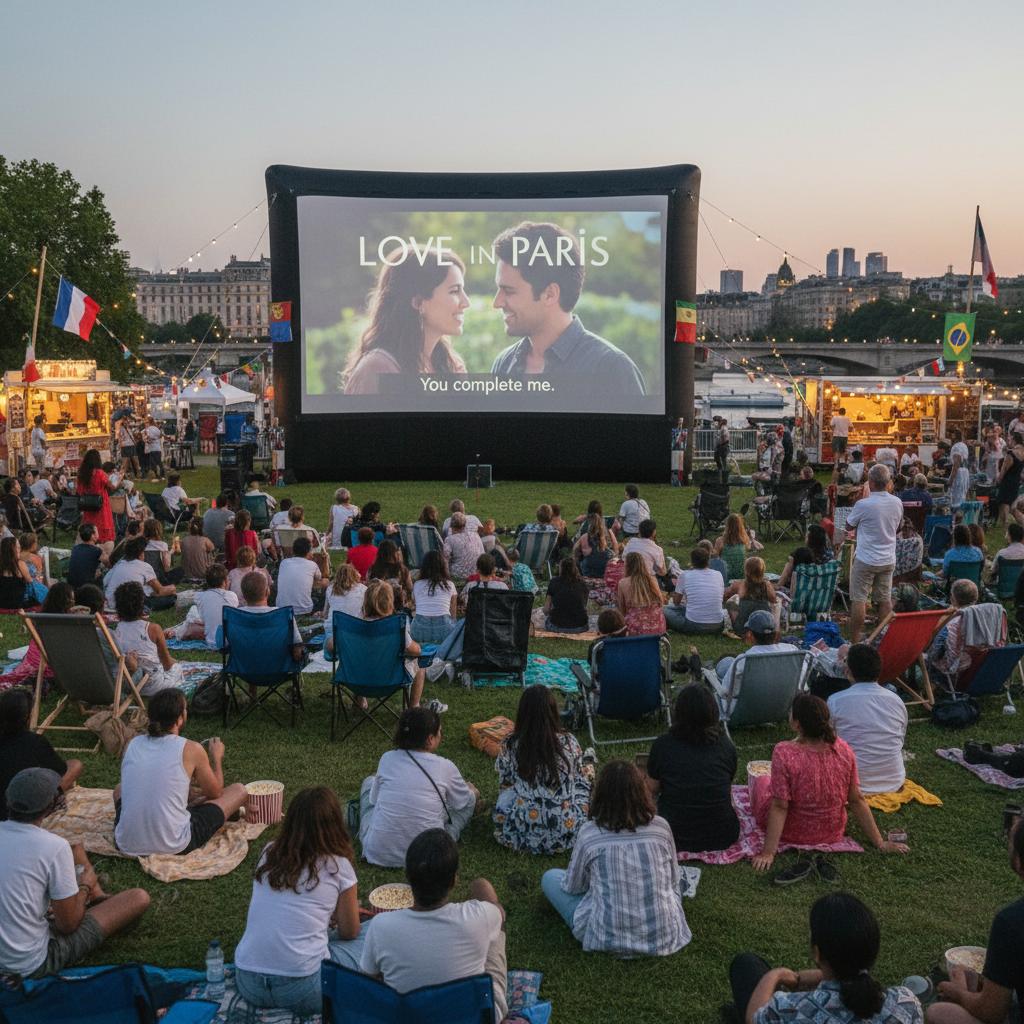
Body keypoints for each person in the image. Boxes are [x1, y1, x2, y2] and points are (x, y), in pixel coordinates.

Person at [0, 767, 151, 978]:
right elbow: (68, 925)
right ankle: (94, 897)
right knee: (138, 898)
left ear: (8, 799)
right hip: (26, 965)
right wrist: (85, 886)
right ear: (50, 806)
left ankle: (92, 898)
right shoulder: (53, 847)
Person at [233, 787, 366, 1017]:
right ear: (335, 824)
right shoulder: (338, 865)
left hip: (249, 982)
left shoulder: (268, 852)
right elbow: (350, 932)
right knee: (373, 933)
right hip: (304, 989)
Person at [751, 693, 909, 881]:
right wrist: (880, 842)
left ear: (797, 724)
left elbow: (780, 806)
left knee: (762, 781)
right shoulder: (844, 749)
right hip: (832, 832)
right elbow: (856, 799)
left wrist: (768, 852)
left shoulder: (783, 752)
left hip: (791, 831)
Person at [541, 759, 690, 956]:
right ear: (642, 792)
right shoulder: (661, 826)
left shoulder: (589, 833)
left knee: (550, 877)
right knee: (677, 885)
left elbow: (573, 887)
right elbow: (673, 880)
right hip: (664, 936)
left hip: (605, 937)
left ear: (600, 795)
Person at [358, 829, 508, 1023]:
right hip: (477, 1017)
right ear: (454, 880)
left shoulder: (380, 926)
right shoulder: (480, 916)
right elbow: (499, 913)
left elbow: (368, 983)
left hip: (408, 1017)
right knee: (494, 932)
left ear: (407, 876)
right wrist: (480, 885)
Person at [489, 221, 645, 398]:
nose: (497, 302)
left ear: (550, 294)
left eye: (509, 291)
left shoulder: (611, 369)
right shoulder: (503, 364)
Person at [730, 892, 923, 1024]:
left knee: (746, 965)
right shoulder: (905, 1003)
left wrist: (776, 975)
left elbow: (754, 1019)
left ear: (817, 952)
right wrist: (805, 978)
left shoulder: (789, 1009)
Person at [114, 689, 248, 856]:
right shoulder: (191, 748)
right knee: (239, 790)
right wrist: (216, 758)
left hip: (125, 843)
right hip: (175, 844)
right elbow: (216, 793)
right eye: (185, 710)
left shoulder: (133, 743)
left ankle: (138, 831)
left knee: (119, 789)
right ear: (179, 719)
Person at [927, 818, 1024, 1024]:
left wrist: (959, 992)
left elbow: (991, 1013)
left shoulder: (1011, 922)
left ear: (1019, 862)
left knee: (939, 1012)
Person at [359, 706, 478, 869]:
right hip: (428, 857)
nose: (441, 735)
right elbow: (462, 803)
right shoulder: (445, 767)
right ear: (430, 739)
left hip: (377, 853)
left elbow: (374, 800)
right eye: (440, 732)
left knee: (369, 782)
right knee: (469, 801)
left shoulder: (386, 758)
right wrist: (473, 792)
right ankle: (449, 836)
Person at [344, 246, 469, 394]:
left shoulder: (452, 366)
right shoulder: (378, 368)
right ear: (418, 302)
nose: (466, 302)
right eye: (454, 291)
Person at [493, 685, 591, 855]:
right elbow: (577, 778)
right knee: (584, 780)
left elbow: (505, 782)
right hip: (565, 831)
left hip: (522, 831)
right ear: (553, 713)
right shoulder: (570, 741)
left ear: (522, 713)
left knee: (506, 795)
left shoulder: (511, 744)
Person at [646, 684, 739, 854]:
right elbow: (727, 784)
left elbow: (651, 788)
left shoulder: (663, 746)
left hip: (674, 835)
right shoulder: (726, 746)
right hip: (722, 834)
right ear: (713, 712)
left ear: (678, 713)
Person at [827, 644, 908, 795]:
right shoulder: (896, 701)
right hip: (894, 780)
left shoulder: (835, 701)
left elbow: (827, 742)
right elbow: (900, 739)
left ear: (848, 671)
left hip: (849, 783)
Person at [0, 688, 82, 820]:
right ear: (27, 717)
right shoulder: (34, 742)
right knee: (75, 764)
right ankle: (54, 797)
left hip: (8, 807)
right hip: (25, 809)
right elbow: (60, 771)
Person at [846, 464, 905, 642]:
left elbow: (848, 526)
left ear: (870, 483)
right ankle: (883, 637)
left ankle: (856, 639)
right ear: (888, 483)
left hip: (866, 558)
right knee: (884, 598)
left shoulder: (863, 504)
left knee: (859, 598)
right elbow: (898, 526)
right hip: (887, 558)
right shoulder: (897, 502)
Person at [705, 610, 800, 717]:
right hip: (783, 706)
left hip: (746, 710)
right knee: (728, 661)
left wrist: (711, 678)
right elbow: (802, 686)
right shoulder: (792, 650)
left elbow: (726, 692)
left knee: (726, 663)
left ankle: (714, 668)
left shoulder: (744, 660)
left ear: (750, 634)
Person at [362, 579, 430, 708]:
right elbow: (415, 651)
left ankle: (360, 702)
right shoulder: (395, 626)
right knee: (420, 665)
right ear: (389, 603)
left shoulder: (355, 625)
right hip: (391, 679)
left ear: (366, 601)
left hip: (358, 679)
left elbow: (334, 646)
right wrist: (417, 646)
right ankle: (414, 707)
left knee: (359, 659)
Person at [113, 582, 185, 694]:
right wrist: (177, 663)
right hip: (154, 685)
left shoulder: (117, 630)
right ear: (141, 604)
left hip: (130, 684)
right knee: (177, 668)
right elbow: (167, 664)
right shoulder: (153, 629)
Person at [102, 536, 177, 612]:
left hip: (111, 604)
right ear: (140, 553)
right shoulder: (145, 566)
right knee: (172, 598)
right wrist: (173, 588)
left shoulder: (118, 564)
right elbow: (160, 591)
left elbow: (105, 582)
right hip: (131, 606)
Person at [665, 546, 726, 634]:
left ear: (692, 562)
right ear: (708, 561)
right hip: (718, 625)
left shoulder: (685, 575)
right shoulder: (718, 574)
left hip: (693, 625)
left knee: (664, 610)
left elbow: (676, 602)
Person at [177, 564, 240, 648]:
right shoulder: (232, 596)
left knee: (193, 611)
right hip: (229, 640)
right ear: (224, 581)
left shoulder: (200, 596)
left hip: (211, 641)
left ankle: (178, 632)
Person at [410, 549, 458, 644]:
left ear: (424, 567)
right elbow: (453, 614)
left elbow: (415, 605)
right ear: (443, 567)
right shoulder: (450, 585)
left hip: (419, 630)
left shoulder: (417, 585)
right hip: (445, 630)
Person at [75, 449, 117, 554]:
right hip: (101, 505)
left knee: (89, 526)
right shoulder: (100, 473)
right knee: (103, 526)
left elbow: (79, 491)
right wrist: (119, 478)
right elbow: (112, 486)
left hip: (88, 506)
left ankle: (89, 543)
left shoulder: (82, 474)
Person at [616, 551, 667, 636]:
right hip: (658, 628)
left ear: (627, 566)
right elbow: (661, 603)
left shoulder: (623, 583)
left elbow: (622, 610)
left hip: (636, 631)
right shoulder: (652, 580)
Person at [275, 536, 326, 616]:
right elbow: (319, 579)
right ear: (309, 551)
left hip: (282, 609)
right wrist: (324, 562)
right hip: (305, 610)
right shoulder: (312, 565)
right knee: (326, 583)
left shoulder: (284, 563)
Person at [724, 556, 777, 630]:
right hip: (763, 625)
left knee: (730, 602)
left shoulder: (739, 584)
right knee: (777, 604)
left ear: (746, 571)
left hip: (742, 627)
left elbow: (726, 595)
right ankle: (776, 626)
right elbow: (774, 600)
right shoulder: (766, 585)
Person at [541, 556, 590, 633]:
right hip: (581, 627)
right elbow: (583, 606)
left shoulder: (554, 582)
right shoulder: (582, 584)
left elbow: (546, 610)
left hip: (557, 626)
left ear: (561, 569)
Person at [368, 538, 413, 610]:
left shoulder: (373, 569)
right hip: (399, 607)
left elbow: (369, 588)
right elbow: (410, 588)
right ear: (394, 553)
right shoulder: (402, 569)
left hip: (379, 607)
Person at [715, 512, 763, 581]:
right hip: (741, 578)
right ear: (740, 526)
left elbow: (715, 559)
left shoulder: (720, 541)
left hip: (725, 578)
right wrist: (752, 538)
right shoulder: (744, 540)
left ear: (727, 525)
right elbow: (760, 547)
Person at [574, 510, 616, 578]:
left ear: (589, 525)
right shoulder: (606, 535)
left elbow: (575, 551)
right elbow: (615, 547)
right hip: (604, 571)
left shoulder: (584, 537)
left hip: (588, 572)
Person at [443, 511, 485, 578]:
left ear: (451, 525)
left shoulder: (449, 539)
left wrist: (447, 578)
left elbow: (445, 560)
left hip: (459, 574)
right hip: (478, 571)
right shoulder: (475, 534)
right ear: (465, 524)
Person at [995, 433, 1024, 527]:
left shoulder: (1011, 454)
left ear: (1014, 440)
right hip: (1016, 484)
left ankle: (1007, 532)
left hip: (1007, 484)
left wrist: (997, 478)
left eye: (1010, 440)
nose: (1008, 442)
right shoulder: (1022, 452)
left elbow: (1003, 471)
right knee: (1012, 509)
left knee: (1004, 507)